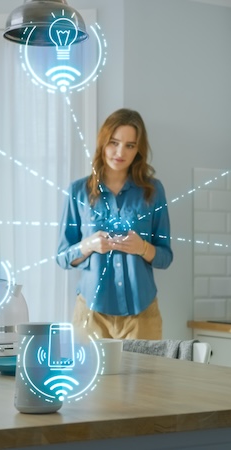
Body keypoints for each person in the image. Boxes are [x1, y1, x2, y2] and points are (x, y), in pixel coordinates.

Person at [56, 108, 172, 340]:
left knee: (145, 378)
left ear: (138, 149)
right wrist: (88, 245)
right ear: (102, 143)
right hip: (91, 313)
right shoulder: (78, 191)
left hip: (142, 314)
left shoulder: (153, 191)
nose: (120, 152)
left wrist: (142, 248)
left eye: (130, 145)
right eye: (114, 142)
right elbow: (62, 258)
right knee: (89, 377)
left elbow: (165, 257)